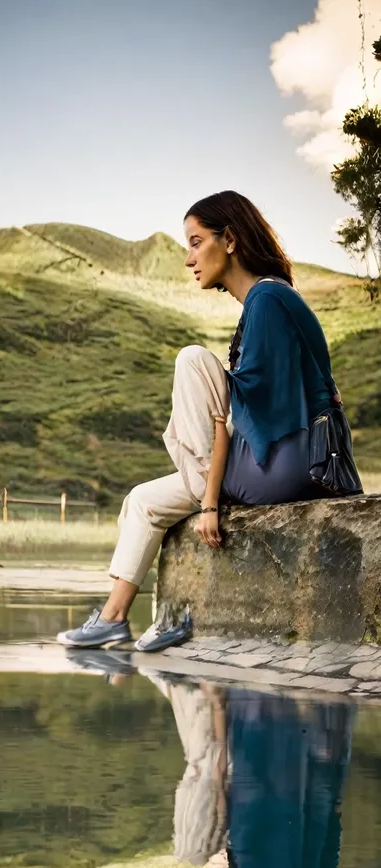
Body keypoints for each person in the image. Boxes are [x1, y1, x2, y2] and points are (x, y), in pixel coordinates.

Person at [57, 189, 349, 653]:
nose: (189, 258)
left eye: (196, 242)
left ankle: (179, 601)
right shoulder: (266, 301)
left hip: (290, 461)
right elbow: (245, 410)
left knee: (193, 361)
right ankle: (113, 617)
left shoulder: (267, 300)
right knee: (143, 501)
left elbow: (254, 413)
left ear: (229, 239)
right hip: (273, 459)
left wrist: (210, 503)